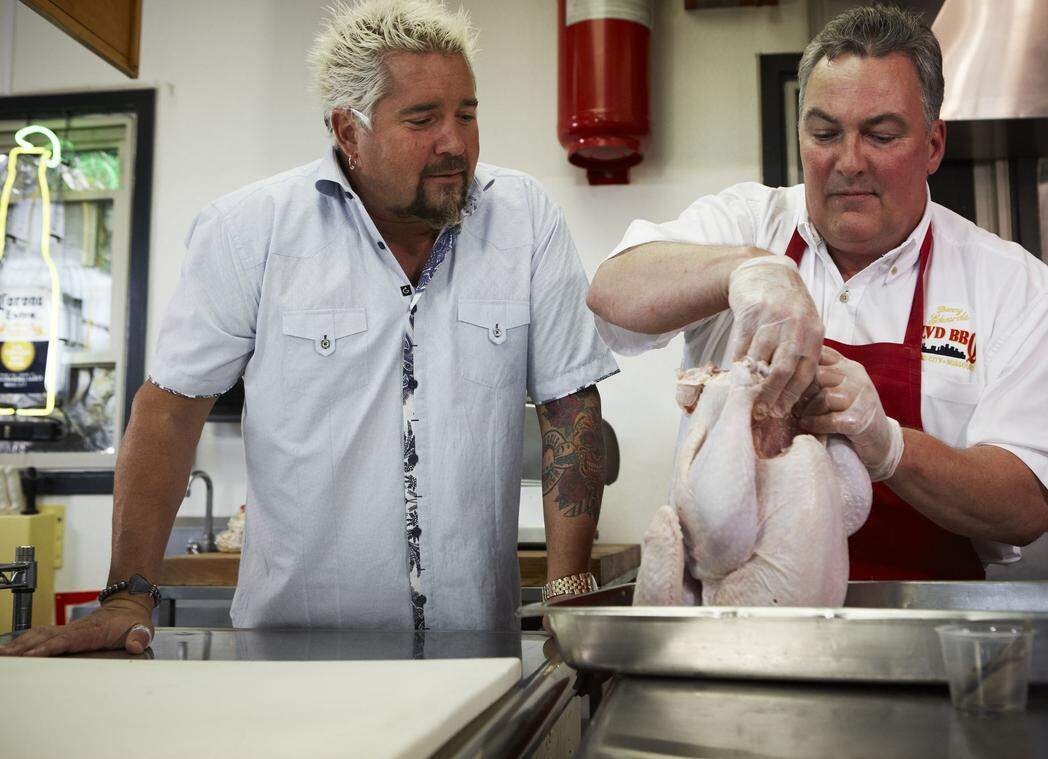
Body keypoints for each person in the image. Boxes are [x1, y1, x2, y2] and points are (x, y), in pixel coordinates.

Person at [2, 0, 617, 657]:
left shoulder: (525, 219)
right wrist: (128, 591)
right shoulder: (250, 230)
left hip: (473, 652)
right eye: (423, 118)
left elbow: (568, 402)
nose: (455, 142)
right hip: (292, 656)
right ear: (348, 131)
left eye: (466, 113)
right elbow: (169, 412)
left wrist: (568, 586)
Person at [587, 6, 1048, 580]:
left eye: (880, 134)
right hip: (745, 630)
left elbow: (1024, 505)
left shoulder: (1015, 288)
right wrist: (746, 270)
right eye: (825, 134)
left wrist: (890, 448)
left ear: (932, 145)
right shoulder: (752, 223)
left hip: (924, 632)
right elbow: (611, 291)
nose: (848, 162)